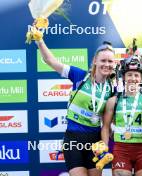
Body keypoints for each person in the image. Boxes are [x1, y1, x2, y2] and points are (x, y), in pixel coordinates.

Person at [36, 38, 115, 176]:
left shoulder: (111, 89)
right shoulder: (80, 75)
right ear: (95, 61)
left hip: (95, 140)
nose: (106, 64)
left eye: (110, 61)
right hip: (73, 140)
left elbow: (107, 124)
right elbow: (51, 61)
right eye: (103, 60)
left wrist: (104, 145)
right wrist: (39, 41)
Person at [101, 55, 142, 176]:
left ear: (141, 79)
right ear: (123, 77)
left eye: (136, 75)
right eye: (129, 74)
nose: (133, 78)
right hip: (121, 149)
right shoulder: (113, 101)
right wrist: (104, 148)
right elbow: (105, 127)